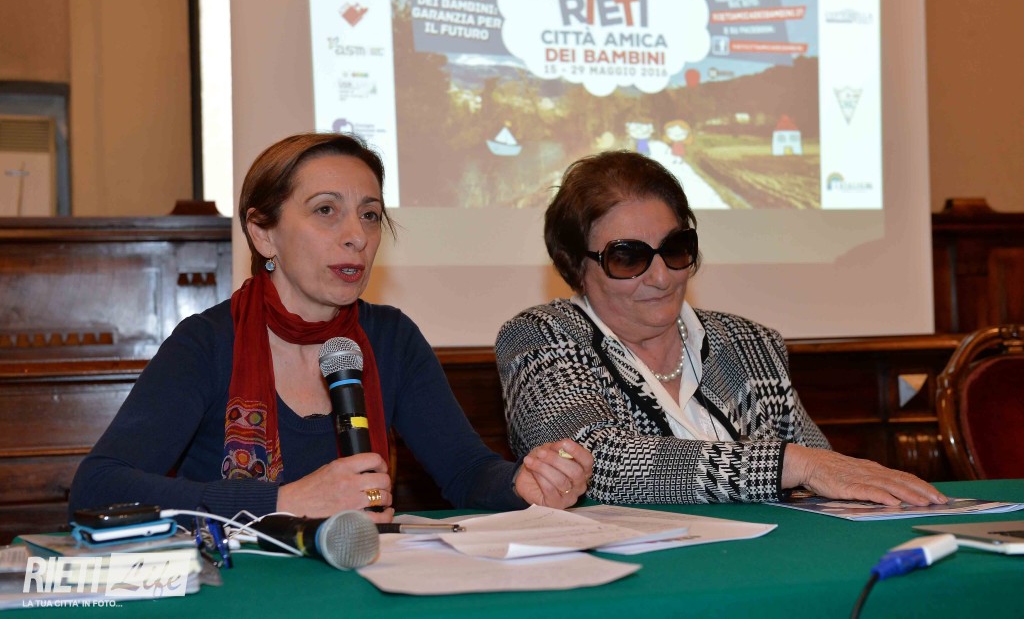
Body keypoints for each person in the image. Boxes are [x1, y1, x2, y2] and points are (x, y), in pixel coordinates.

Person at [69, 133, 591, 523]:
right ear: (263, 233)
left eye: (370, 215)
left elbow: (464, 471)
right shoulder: (206, 343)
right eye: (326, 211)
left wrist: (522, 482)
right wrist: (283, 500)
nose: (356, 236)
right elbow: (97, 487)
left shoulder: (391, 339)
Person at [496, 150, 946, 507]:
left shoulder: (752, 344)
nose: (661, 276)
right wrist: (789, 465)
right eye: (628, 257)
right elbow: (599, 464)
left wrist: (817, 470)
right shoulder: (540, 338)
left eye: (675, 248)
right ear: (574, 265)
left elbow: (828, 474)